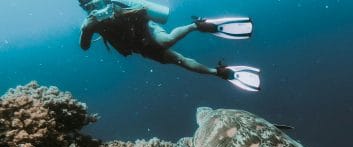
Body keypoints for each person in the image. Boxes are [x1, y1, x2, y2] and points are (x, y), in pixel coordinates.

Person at [78, 0, 261, 91]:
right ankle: (219, 72)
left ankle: (196, 25)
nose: (91, 6)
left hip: (147, 28)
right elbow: (84, 48)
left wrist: (115, 12)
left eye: (92, 1)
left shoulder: (114, 4)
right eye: (85, 5)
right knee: (179, 60)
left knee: (166, 41)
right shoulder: (90, 23)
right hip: (140, 47)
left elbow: (139, 13)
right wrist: (87, 29)